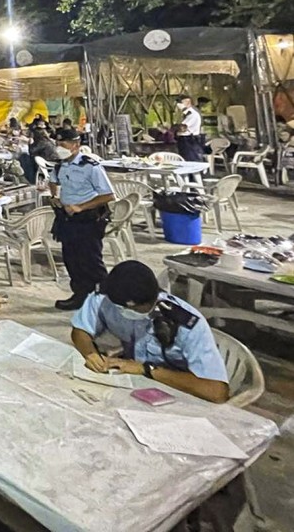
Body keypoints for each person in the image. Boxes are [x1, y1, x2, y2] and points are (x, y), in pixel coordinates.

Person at [70, 260, 229, 403]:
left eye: (134, 308)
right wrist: (90, 354)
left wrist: (147, 369)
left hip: (178, 391)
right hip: (135, 389)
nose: (124, 311)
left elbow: (216, 391)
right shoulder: (109, 297)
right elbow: (80, 330)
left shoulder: (187, 324)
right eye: (120, 307)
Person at [49, 127, 114, 311]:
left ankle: (104, 301)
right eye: (57, 143)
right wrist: (54, 196)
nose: (59, 147)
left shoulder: (91, 166)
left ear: (76, 145)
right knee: (71, 260)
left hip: (88, 219)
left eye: (63, 143)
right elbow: (53, 181)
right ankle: (80, 295)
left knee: (91, 261)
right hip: (67, 219)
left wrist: (80, 206)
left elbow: (108, 195)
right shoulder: (60, 165)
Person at [175, 94, 203, 162]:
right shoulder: (184, 114)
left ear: (188, 102)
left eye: (180, 102)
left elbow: (183, 127)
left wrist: (175, 128)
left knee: (191, 159)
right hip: (184, 139)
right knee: (184, 159)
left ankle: (196, 172)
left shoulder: (192, 114)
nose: (178, 105)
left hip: (189, 139)